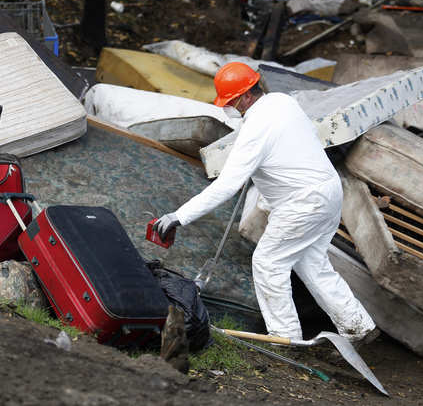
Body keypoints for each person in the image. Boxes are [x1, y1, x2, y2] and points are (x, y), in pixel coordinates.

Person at [154, 62, 377, 343]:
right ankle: (358, 325)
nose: (233, 108)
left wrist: (179, 216)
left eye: (234, 101)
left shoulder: (256, 126)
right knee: (312, 264)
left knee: (268, 262)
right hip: (328, 192)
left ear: (247, 95)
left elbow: (227, 185)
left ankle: (284, 337)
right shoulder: (283, 102)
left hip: (303, 202)